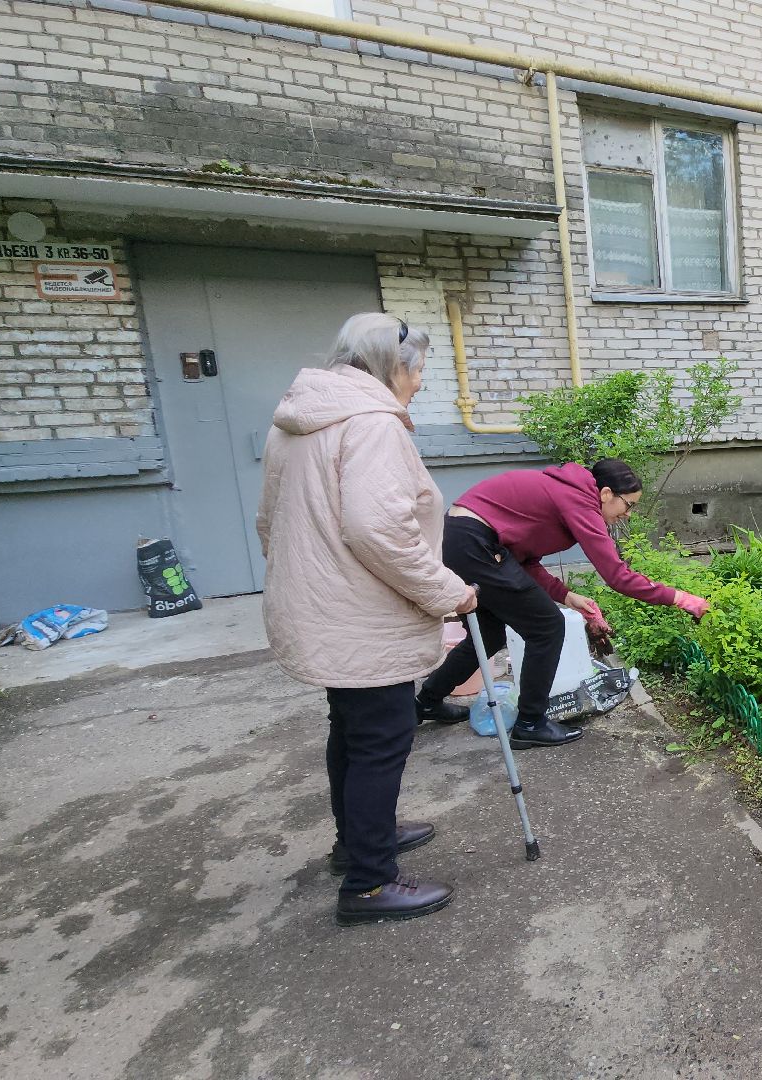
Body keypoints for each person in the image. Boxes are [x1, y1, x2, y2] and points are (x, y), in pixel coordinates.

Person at [257, 313, 475, 927]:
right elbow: (381, 530)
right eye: (419, 369)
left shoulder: (297, 422)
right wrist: (450, 592)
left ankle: (358, 842)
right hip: (361, 614)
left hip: (323, 608)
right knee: (382, 739)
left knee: (351, 731)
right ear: (392, 367)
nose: (420, 382)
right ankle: (371, 884)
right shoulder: (372, 424)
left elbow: (269, 521)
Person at [414, 459, 710, 746]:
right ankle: (530, 724)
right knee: (547, 627)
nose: (628, 514)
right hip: (475, 542)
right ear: (606, 494)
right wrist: (681, 598)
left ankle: (426, 701)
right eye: (628, 505)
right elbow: (617, 576)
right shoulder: (580, 501)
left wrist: (567, 596)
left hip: (464, 539)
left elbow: (524, 561)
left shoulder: (568, 494)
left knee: (490, 634)